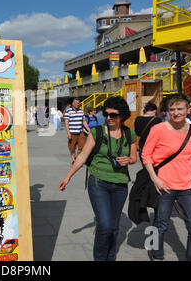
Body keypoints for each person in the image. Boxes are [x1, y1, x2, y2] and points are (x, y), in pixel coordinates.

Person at [59, 96, 137, 261]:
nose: (108, 118)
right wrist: (68, 176)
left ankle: (110, 257)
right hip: (98, 183)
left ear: (122, 116)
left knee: (114, 228)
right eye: (107, 114)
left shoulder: (129, 133)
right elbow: (82, 156)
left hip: (120, 185)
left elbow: (134, 158)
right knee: (105, 225)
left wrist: (128, 160)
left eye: (113, 115)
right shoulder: (97, 131)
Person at [142, 93, 191, 261]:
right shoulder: (158, 129)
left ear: (188, 109)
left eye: (180, 109)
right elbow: (146, 156)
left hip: (188, 186)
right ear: (167, 111)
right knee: (160, 225)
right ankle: (155, 255)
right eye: (172, 109)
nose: (176, 113)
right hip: (164, 185)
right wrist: (155, 179)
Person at [64, 98, 90, 163]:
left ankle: (77, 160)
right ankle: (73, 159)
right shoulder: (68, 111)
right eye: (76, 103)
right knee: (72, 148)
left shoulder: (81, 110)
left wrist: (89, 130)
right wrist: (68, 133)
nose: (78, 104)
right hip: (72, 132)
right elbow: (66, 122)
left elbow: (84, 121)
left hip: (80, 132)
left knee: (81, 147)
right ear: (73, 103)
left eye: (79, 103)